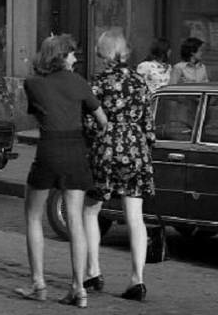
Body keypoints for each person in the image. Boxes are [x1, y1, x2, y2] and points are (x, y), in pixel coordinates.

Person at [16, 33, 108, 308]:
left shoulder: (33, 83)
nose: (76, 58)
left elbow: (37, 112)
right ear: (61, 56)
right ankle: (79, 288)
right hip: (75, 150)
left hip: (48, 149)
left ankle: (38, 283)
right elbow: (103, 121)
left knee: (33, 216)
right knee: (76, 220)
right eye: (72, 54)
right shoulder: (79, 82)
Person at [82, 29, 155, 303]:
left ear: (104, 54)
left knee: (91, 210)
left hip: (107, 147)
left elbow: (89, 120)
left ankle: (93, 271)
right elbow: (149, 123)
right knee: (135, 216)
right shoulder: (139, 81)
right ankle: (137, 279)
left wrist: (93, 139)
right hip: (136, 148)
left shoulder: (99, 82)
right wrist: (144, 144)